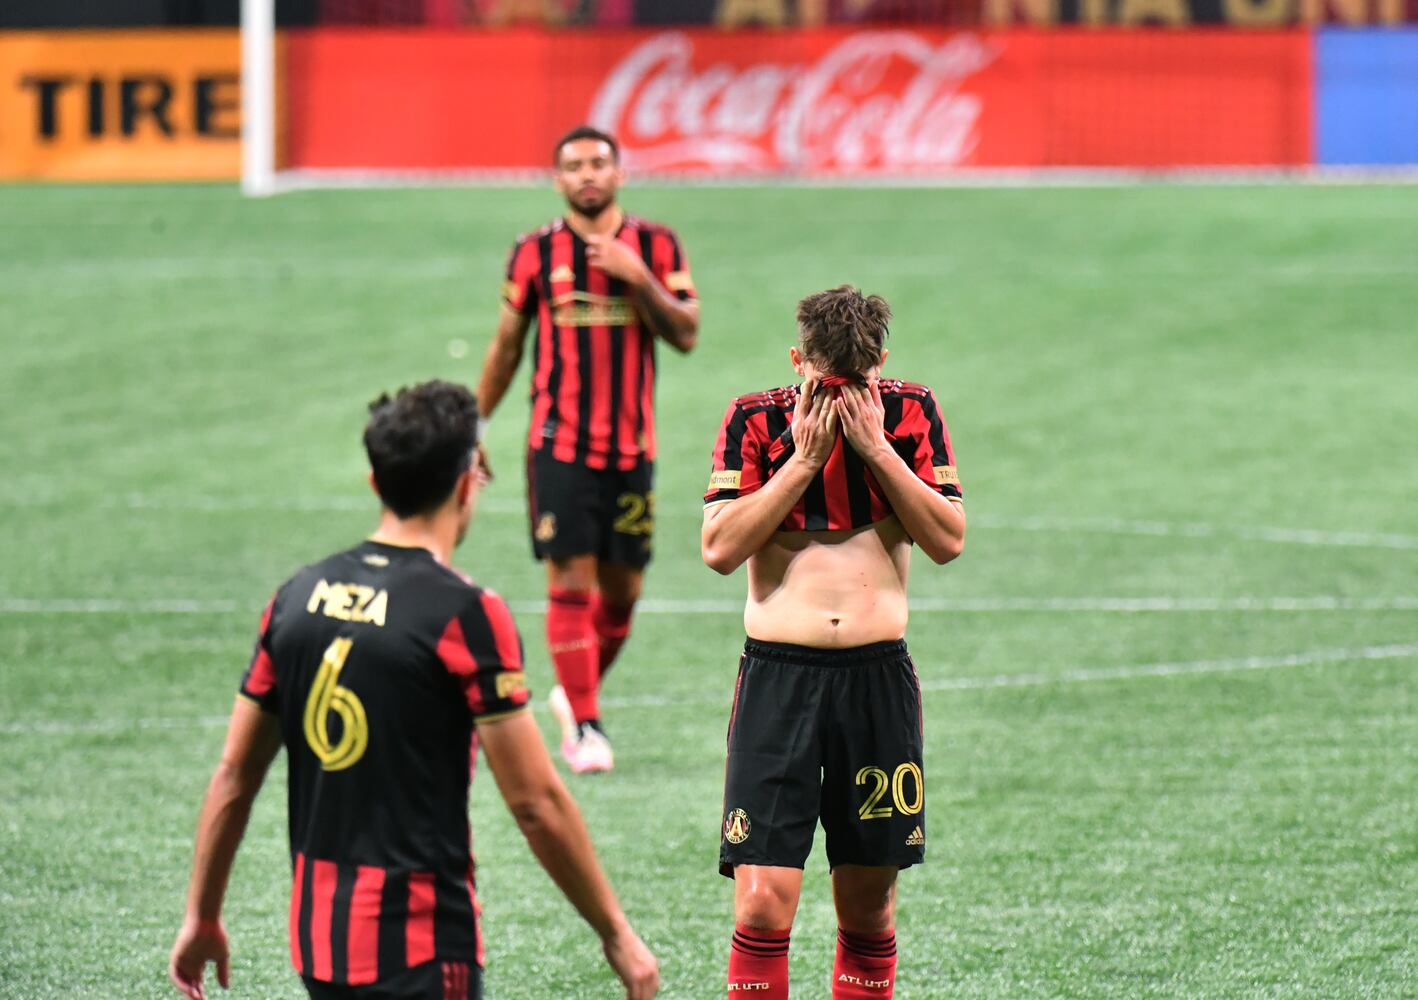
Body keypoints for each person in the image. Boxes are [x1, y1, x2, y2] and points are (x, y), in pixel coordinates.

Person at [168, 380, 659, 1000]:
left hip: (319, 944)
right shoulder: (465, 613)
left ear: (377, 483)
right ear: (466, 482)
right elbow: (536, 802)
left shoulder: (294, 598)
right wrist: (616, 934)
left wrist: (202, 915)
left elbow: (235, 775)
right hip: (422, 946)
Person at [700, 287, 966, 999]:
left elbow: (947, 540)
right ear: (799, 363)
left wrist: (877, 450)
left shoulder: (909, 414)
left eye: (858, 385)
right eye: (827, 386)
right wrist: (801, 464)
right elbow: (719, 550)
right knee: (760, 901)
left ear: (882, 363)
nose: (843, 401)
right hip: (779, 682)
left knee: (870, 905)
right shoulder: (755, 419)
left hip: (876, 682)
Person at [474, 125, 699, 774]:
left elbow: (686, 333)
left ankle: (574, 696)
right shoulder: (532, 253)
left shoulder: (656, 245)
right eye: (574, 166)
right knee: (569, 581)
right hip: (559, 444)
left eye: (599, 162)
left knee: (623, 592)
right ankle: (587, 728)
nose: (588, 174)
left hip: (631, 447)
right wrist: (475, 428)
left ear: (620, 173)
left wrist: (639, 281)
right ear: (558, 181)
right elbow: (507, 347)